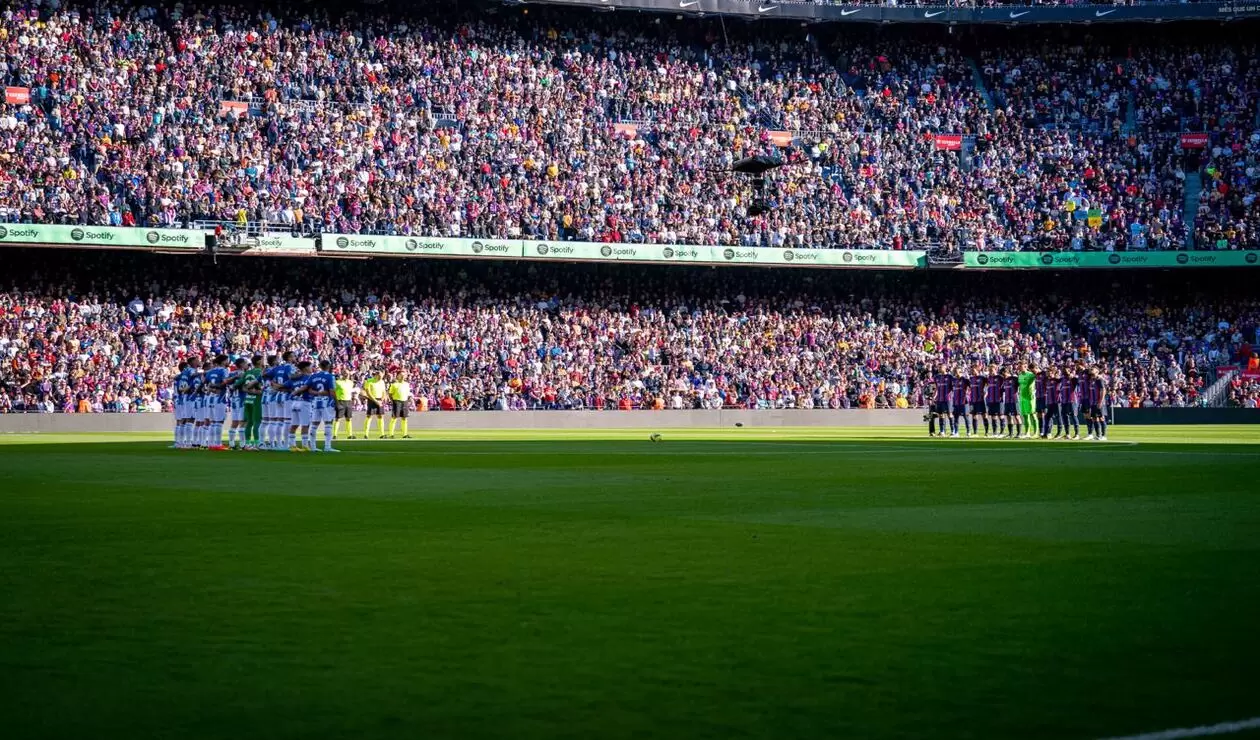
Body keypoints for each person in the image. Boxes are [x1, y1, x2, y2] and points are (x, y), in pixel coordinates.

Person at [307, 360, 340, 453]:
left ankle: (313, 447)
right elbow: (332, 391)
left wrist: (317, 393)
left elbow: (308, 389)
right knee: (328, 423)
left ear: (320, 366)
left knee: (314, 424)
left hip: (316, 402)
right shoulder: (330, 376)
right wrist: (337, 402)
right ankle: (327, 446)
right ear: (329, 366)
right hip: (327, 402)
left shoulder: (313, 376)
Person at [203, 354, 230, 451]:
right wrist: (234, 378)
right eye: (227, 360)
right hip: (219, 398)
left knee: (212, 422)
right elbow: (224, 382)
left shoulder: (210, 371)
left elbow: (204, 383)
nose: (228, 362)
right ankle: (218, 444)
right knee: (218, 422)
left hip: (210, 398)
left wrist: (210, 388)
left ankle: (211, 444)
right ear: (223, 361)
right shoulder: (224, 370)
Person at [286, 361, 313, 452]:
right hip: (305, 402)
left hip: (294, 402)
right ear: (306, 368)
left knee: (294, 424)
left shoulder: (295, 379)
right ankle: (305, 445)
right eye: (310, 367)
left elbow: (283, 386)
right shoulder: (309, 378)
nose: (311, 368)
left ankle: (292, 445)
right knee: (305, 425)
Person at [226, 357, 250, 450]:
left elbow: (228, 384)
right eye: (245, 363)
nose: (247, 365)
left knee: (234, 423)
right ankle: (243, 444)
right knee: (243, 422)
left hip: (234, 400)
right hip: (242, 400)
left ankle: (231, 444)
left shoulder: (231, 374)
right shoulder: (244, 374)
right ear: (241, 364)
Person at [242, 354, 265, 449]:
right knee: (257, 422)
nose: (264, 361)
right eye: (263, 359)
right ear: (259, 361)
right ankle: (257, 443)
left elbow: (241, 386)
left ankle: (247, 443)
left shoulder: (247, 372)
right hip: (256, 400)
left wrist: (248, 390)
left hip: (247, 399)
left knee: (249, 422)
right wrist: (257, 391)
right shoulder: (261, 372)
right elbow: (262, 387)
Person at [173, 360, 193, 449]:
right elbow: (183, 388)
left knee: (179, 421)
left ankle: (178, 442)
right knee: (184, 420)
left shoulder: (179, 377)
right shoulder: (182, 377)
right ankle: (184, 442)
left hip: (177, 400)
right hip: (181, 399)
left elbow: (175, 377)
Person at [388, 372, 413, 440]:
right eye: (401, 375)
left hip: (404, 401)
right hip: (397, 401)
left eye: (403, 375)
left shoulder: (407, 384)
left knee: (404, 418)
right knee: (394, 418)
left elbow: (408, 394)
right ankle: (391, 434)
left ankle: (405, 434)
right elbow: (390, 394)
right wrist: (393, 401)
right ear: (397, 376)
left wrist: (408, 401)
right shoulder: (394, 384)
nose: (402, 376)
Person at [362, 371, 387, 439]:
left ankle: (382, 434)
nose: (380, 378)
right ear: (376, 375)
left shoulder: (382, 382)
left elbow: (384, 391)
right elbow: (368, 393)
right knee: (369, 416)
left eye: (381, 377)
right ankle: (366, 434)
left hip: (379, 400)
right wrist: (376, 401)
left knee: (380, 416)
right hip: (372, 399)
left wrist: (383, 398)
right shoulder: (369, 381)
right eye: (379, 377)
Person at [333, 373, 356, 440]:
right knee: (338, 418)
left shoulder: (351, 383)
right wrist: (336, 401)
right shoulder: (337, 382)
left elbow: (350, 392)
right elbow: (334, 391)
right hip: (340, 401)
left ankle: (350, 435)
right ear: (343, 374)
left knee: (349, 418)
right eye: (345, 373)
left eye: (347, 374)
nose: (346, 375)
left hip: (348, 401)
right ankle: (334, 435)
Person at [930, 365, 951, 438]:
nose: (939, 368)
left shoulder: (949, 377)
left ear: (945, 368)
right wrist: (933, 397)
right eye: (938, 367)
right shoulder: (936, 377)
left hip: (948, 399)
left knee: (949, 415)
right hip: (939, 399)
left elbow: (953, 388)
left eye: (940, 367)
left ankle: (953, 432)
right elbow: (936, 389)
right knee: (940, 415)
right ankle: (942, 431)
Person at [1018, 363, 1037, 439]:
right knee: (1025, 415)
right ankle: (1027, 433)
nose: (1019, 368)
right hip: (1022, 397)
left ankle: (1035, 433)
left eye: (1021, 366)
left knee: (1032, 414)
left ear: (1025, 367)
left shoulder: (1031, 375)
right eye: (1019, 366)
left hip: (1030, 397)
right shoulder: (1020, 375)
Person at [950, 368, 971, 438]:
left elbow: (971, 388)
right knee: (956, 418)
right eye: (955, 372)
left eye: (957, 372)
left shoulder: (965, 380)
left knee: (966, 417)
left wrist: (967, 394)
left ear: (961, 372)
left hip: (964, 401)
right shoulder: (954, 380)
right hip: (956, 402)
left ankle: (968, 432)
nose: (956, 373)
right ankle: (956, 432)